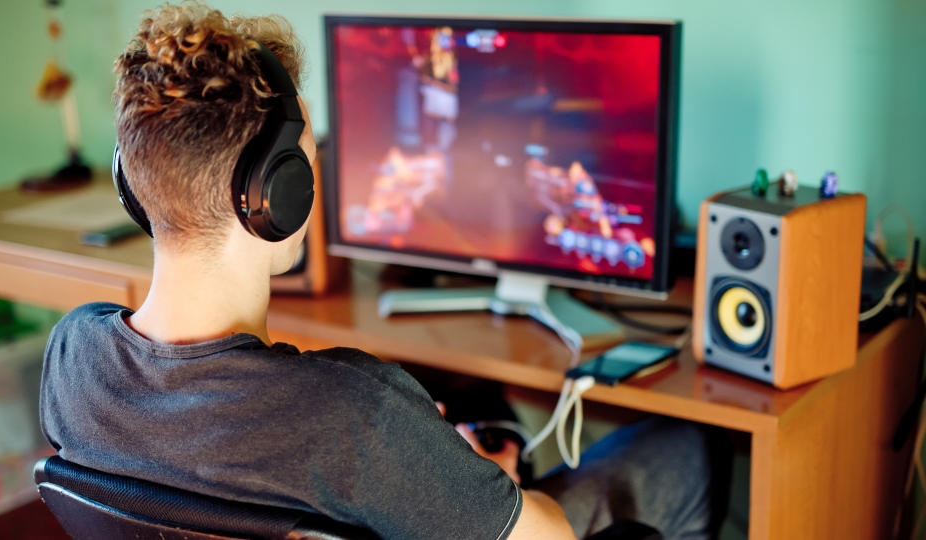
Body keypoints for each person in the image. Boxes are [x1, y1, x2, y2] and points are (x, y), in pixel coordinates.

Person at [39, 3, 713, 538]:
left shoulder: (72, 353)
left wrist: (437, 476)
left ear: (133, 185)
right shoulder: (354, 408)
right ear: (281, 196)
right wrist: (480, 488)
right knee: (681, 446)